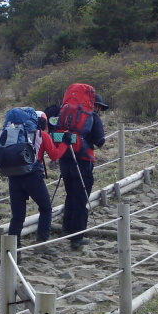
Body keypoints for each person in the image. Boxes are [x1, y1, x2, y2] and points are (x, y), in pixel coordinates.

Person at [57, 85, 108, 250]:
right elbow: (100, 142)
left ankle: (66, 228)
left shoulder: (64, 114)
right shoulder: (92, 117)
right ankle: (77, 237)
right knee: (81, 198)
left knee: (70, 193)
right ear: (94, 103)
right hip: (83, 160)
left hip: (64, 159)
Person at [7, 110, 68, 248]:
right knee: (46, 208)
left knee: (17, 216)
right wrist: (64, 143)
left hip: (14, 176)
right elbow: (55, 155)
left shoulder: (14, 135)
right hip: (33, 176)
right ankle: (41, 243)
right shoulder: (42, 135)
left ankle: (12, 249)